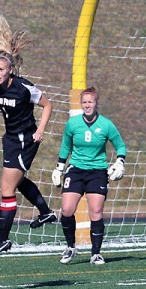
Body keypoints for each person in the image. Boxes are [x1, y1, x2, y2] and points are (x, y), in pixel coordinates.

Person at [0, 16, 56, 258]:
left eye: (1, 69)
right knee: (14, 183)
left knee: (7, 187)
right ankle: (46, 212)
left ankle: (2, 240)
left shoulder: (24, 87)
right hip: (10, 139)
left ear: (11, 70)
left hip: (25, 140)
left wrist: (41, 130)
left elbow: (48, 106)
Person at [51, 86, 126, 265]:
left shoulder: (106, 124)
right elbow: (65, 146)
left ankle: (96, 253)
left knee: (96, 212)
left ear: (96, 103)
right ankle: (70, 247)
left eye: (90, 102)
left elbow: (120, 145)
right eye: (84, 102)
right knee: (67, 210)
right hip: (76, 170)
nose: (87, 105)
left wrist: (119, 162)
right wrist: (59, 168)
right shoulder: (73, 123)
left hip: (97, 172)